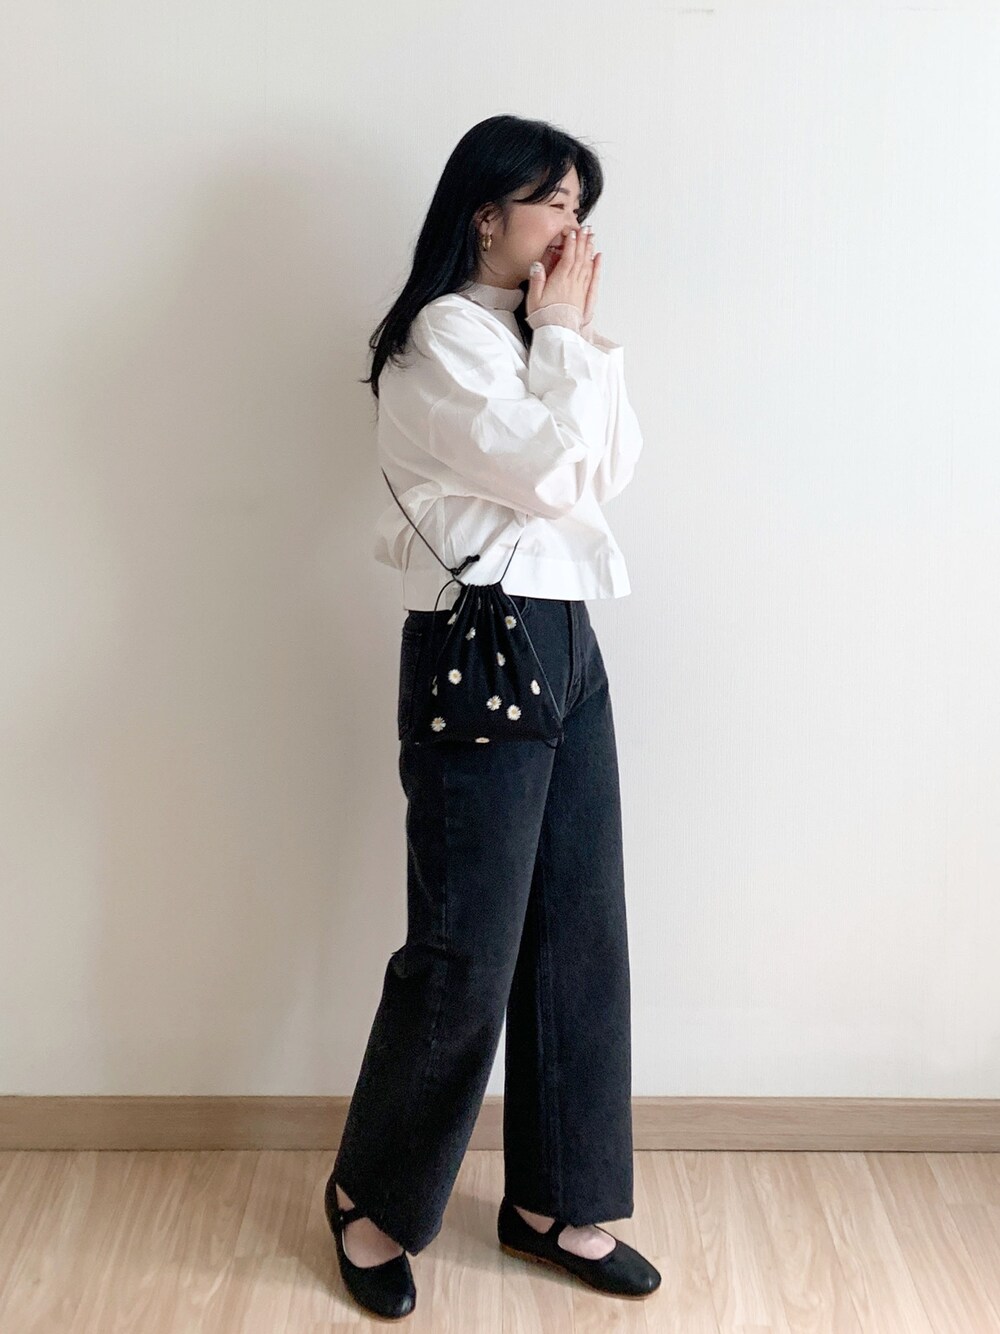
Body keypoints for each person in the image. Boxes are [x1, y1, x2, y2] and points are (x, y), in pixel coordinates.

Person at [323, 113, 660, 1320]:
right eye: (554, 201)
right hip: (479, 638)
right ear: (485, 211)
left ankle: (554, 1200)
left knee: (580, 932)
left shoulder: (535, 336)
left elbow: (607, 462)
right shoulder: (439, 338)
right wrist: (560, 336)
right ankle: (370, 1194)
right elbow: (556, 473)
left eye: (580, 207)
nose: (572, 227)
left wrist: (570, 336)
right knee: (465, 948)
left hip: (566, 639)